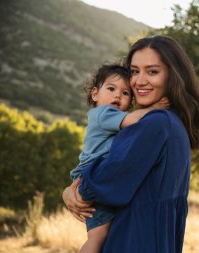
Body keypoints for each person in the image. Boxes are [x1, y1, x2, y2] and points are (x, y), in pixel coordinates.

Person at [63, 35, 199, 253]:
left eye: (152, 71)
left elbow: (107, 183)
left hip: (133, 240)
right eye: (134, 71)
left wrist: (72, 192)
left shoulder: (154, 124)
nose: (139, 81)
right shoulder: (173, 122)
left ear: (173, 76)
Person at [71, 63, 169, 253]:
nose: (117, 95)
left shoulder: (113, 118)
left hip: (98, 175)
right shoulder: (103, 114)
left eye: (125, 93)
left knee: (107, 234)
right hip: (91, 174)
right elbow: (132, 120)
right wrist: (155, 108)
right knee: (97, 237)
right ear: (94, 94)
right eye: (111, 89)